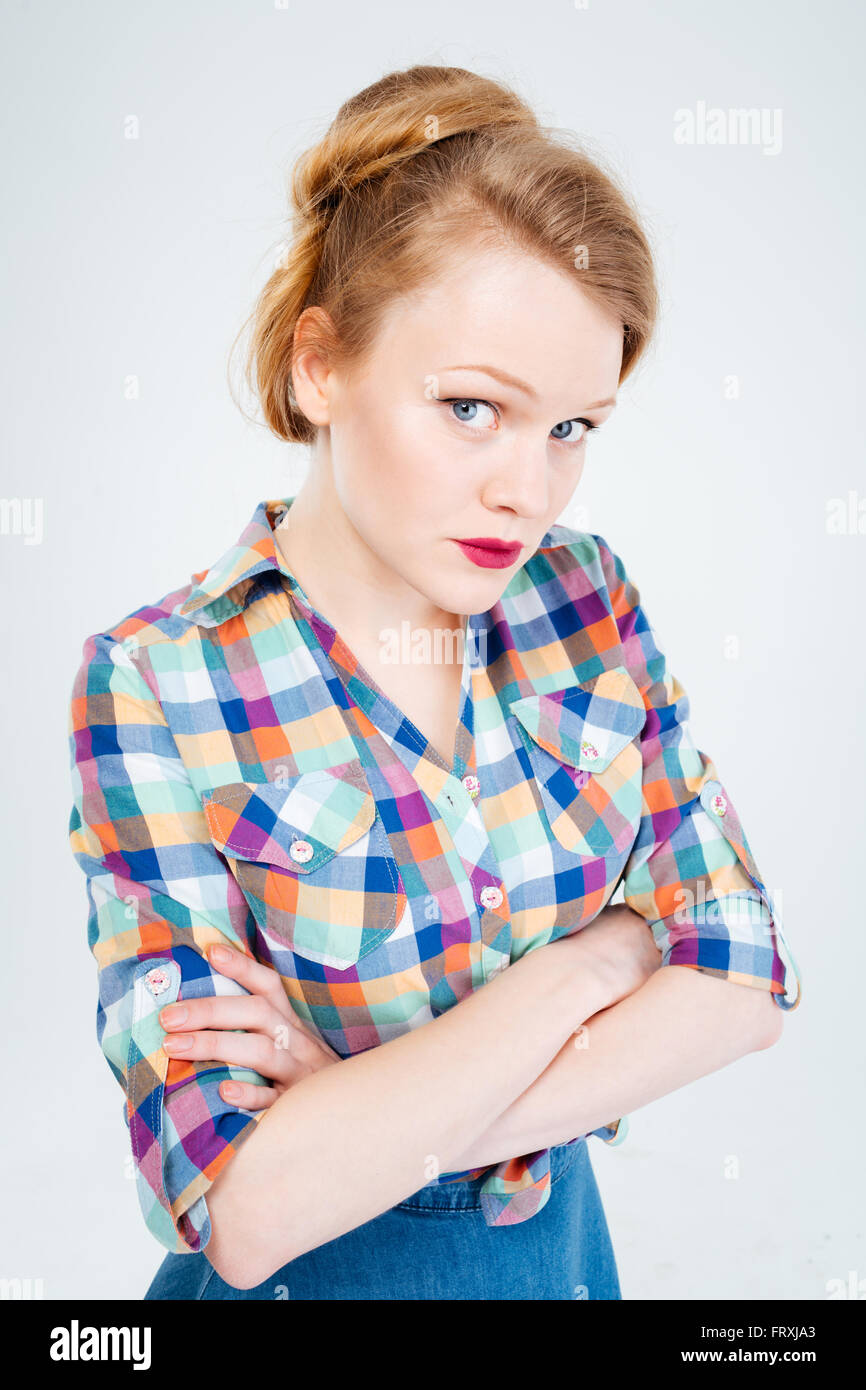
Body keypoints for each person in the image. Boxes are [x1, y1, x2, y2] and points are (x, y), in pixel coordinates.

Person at [66, 62, 801, 1301]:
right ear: (319, 367)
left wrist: (356, 1115)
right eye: (472, 408)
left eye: (571, 427)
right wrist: (592, 963)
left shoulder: (582, 599)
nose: (528, 490)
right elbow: (245, 1212)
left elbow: (739, 978)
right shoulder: (157, 681)